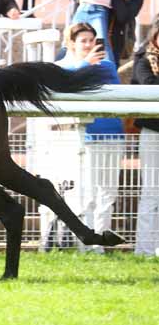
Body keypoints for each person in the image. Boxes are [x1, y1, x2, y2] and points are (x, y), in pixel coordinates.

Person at [56, 22, 124, 253]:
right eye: (83, 41)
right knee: (88, 194)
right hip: (86, 136)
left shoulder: (107, 65)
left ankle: (100, 245)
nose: (88, 44)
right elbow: (68, 83)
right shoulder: (65, 66)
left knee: (108, 193)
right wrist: (85, 64)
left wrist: (90, 67)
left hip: (113, 133)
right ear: (72, 44)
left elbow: (111, 87)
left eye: (91, 40)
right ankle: (86, 243)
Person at [132, 21, 159, 257]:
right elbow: (149, 86)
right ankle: (144, 250)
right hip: (153, 132)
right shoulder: (143, 60)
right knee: (151, 190)